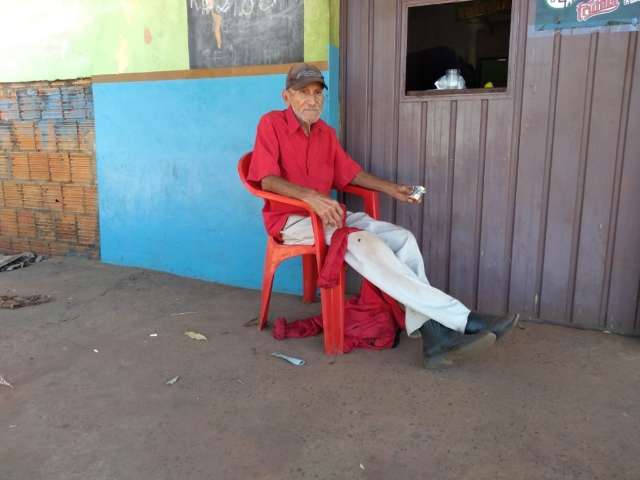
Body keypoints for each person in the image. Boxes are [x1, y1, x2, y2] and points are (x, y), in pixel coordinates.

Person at [248, 63, 518, 369]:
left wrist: (392, 189)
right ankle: (462, 320)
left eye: (316, 93)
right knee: (370, 246)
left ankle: (434, 336)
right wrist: (311, 198)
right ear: (287, 97)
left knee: (402, 239)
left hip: (331, 218)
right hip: (292, 221)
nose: (311, 100)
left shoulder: (325, 133)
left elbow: (350, 173)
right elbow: (267, 180)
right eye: (302, 93)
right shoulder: (270, 124)